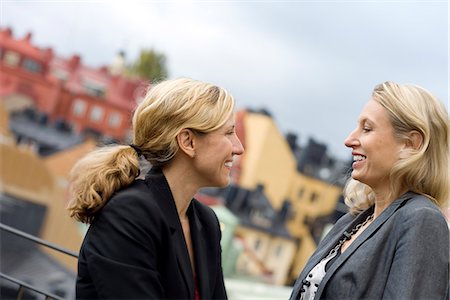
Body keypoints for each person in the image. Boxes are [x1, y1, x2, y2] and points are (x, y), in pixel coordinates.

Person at [67, 78, 244, 299]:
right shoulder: (128, 214)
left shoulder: (206, 222)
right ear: (187, 141)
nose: (239, 148)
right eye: (228, 133)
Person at [290, 81, 449, 300]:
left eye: (367, 128)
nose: (349, 140)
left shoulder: (421, 220)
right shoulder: (350, 222)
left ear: (411, 144)